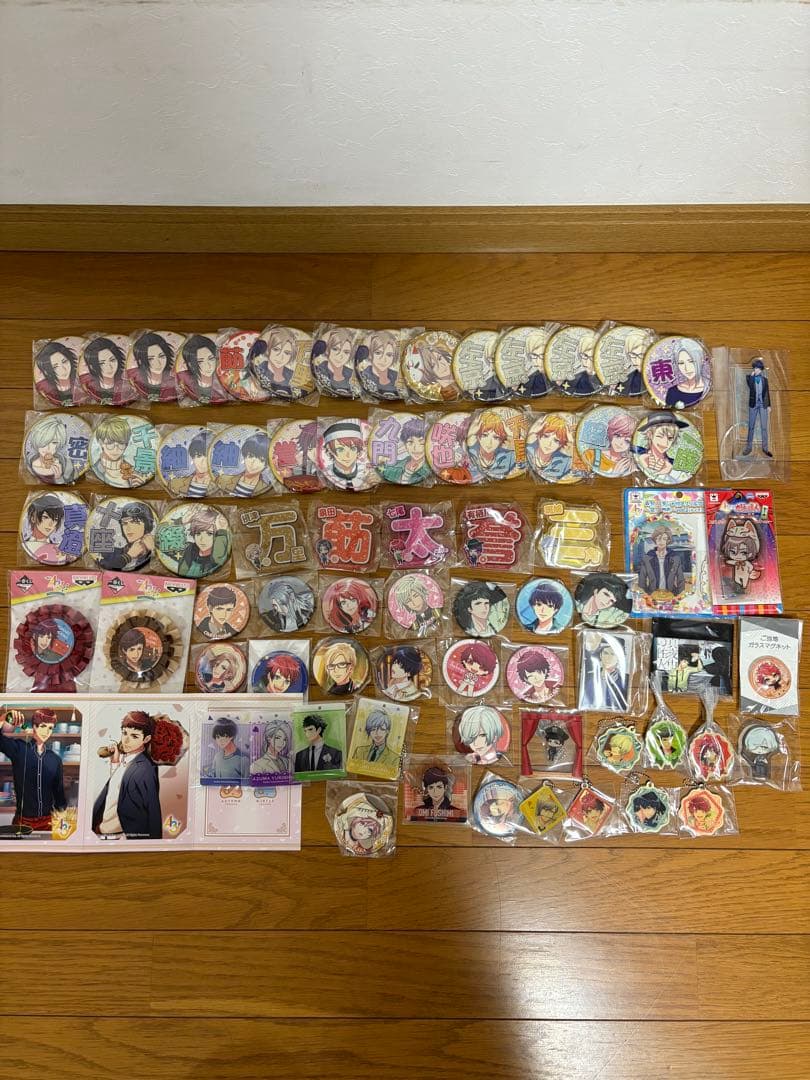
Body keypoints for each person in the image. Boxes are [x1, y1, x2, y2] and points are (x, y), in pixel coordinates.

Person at [92, 711, 165, 839]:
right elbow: (117, 790)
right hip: (104, 831)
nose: (126, 740)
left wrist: (154, 842)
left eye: (134, 736)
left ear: (146, 739)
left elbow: (152, 808)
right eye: (124, 733)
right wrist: (115, 762)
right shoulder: (128, 760)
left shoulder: (145, 768)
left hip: (122, 836)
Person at [0, 708, 66, 831]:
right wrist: (3, 718)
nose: (46, 731)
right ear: (34, 727)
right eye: (43, 726)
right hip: (23, 822)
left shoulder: (55, 759)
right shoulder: (19, 749)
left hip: (48, 822)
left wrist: (63, 822)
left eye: (50, 728)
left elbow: (59, 794)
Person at [92, 416, 150, 488]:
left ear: (126, 444)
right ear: (101, 443)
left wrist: (138, 484)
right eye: (110, 443)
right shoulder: (94, 470)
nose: (116, 449)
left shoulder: (134, 471)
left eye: (121, 443)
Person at [96, 501, 155, 571]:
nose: (128, 528)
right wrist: (128, 556)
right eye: (124, 523)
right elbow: (102, 564)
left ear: (147, 525)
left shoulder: (155, 549)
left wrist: (154, 551)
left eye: (134, 522)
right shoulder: (113, 553)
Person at [177, 507, 230, 578]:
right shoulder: (190, 549)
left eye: (209, 534)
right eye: (198, 533)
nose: (202, 539)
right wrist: (181, 522)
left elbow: (218, 558)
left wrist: (221, 531)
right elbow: (167, 543)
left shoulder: (218, 556)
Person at [634, 413, 687, 481]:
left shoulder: (673, 464)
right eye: (660, 436)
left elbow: (684, 477)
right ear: (650, 435)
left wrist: (670, 471)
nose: (665, 443)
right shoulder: (636, 451)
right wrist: (640, 460)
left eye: (670, 438)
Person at [216, 432, 272, 497]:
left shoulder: (266, 488)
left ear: (266, 464)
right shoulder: (222, 480)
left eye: (261, 460)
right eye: (250, 456)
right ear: (244, 456)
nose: (253, 463)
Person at [637, 524, 685, 597]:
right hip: (652, 595)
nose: (661, 541)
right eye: (658, 538)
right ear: (655, 540)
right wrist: (646, 595)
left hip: (671, 594)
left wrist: (678, 595)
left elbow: (680, 580)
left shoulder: (675, 558)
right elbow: (642, 581)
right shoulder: (647, 558)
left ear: (668, 540)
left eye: (664, 539)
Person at [81, 337, 132, 404]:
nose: (109, 367)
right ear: (91, 366)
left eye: (112, 360)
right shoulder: (87, 384)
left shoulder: (128, 383)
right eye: (101, 363)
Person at [25, 415, 73, 484]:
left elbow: (70, 481)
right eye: (44, 441)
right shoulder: (29, 463)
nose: (48, 448)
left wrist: (59, 478)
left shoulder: (66, 464)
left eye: (54, 442)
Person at [380, 419, 430, 484]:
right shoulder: (396, 465)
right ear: (405, 444)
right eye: (410, 442)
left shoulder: (430, 468)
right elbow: (380, 468)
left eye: (422, 443)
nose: (416, 448)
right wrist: (394, 453)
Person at [468, 411, 516, 479]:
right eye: (484, 435)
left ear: (501, 440)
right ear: (478, 436)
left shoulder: (509, 456)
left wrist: (512, 436)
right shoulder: (470, 453)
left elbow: (522, 466)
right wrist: (470, 434)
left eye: (496, 437)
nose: (489, 442)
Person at [131, 331, 177, 402]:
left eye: (161, 356)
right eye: (150, 359)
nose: (158, 363)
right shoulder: (135, 378)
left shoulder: (175, 378)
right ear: (140, 360)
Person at [321, 421, 367, 490]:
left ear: (358, 450)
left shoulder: (366, 471)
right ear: (329, 449)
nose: (348, 455)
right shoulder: (326, 473)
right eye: (340, 449)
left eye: (353, 448)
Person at [179, 334, 226, 403]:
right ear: (190, 364)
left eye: (211, 359)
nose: (208, 365)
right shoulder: (184, 378)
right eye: (200, 362)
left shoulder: (225, 378)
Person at [311, 327, 357, 395]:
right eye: (335, 349)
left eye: (346, 352)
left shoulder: (352, 374)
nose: (340, 356)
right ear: (327, 350)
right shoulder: (319, 370)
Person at [23, 493, 67, 563]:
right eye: (45, 517)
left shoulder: (58, 548)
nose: (51, 524)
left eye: (55, 519)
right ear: (33, 518)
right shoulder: (26, 544)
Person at [663, 340, 707, 409]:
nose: (687, 368)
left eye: (691, 361)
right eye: (681, 363)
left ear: (701, 360)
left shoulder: (708, 391)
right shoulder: (672, 391)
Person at [356, 330, 400, 398]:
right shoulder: (363, 376)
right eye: (378, 353)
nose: (383, 359)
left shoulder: (397, 376)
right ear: (370, 354)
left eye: (389, 355)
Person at [528, 414, 573, 480]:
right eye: (546, 436)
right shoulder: (528, 451)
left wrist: (572, 442)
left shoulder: (566, 462)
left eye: (556, 440)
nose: (549, 444)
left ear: (561, 444)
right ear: (538, 435)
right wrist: (532, 432)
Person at [743, 357, 772, 456]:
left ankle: (765, 448)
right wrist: (752, 377)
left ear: (760, 370)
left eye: (757, 368)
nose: (755, 370)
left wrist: (769, 405)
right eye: (754, 368)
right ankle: (748, 448)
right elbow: (750, 386)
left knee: (764, 427)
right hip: (753, 404)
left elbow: (767, 393)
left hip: (763, 405)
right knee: (751, 426)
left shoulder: (765, 380)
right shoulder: (750, 378)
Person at [587, 642, 629, 712]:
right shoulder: (589, 677)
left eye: (613, 654)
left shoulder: (627, 680)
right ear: (601, 655)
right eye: (605, 653)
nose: (608, 658)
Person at [34, 340, 77, 406]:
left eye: (64, 361)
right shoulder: (43, 387)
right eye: (55, 367)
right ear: (46, 370)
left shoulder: (81, 379)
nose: (63, 369)